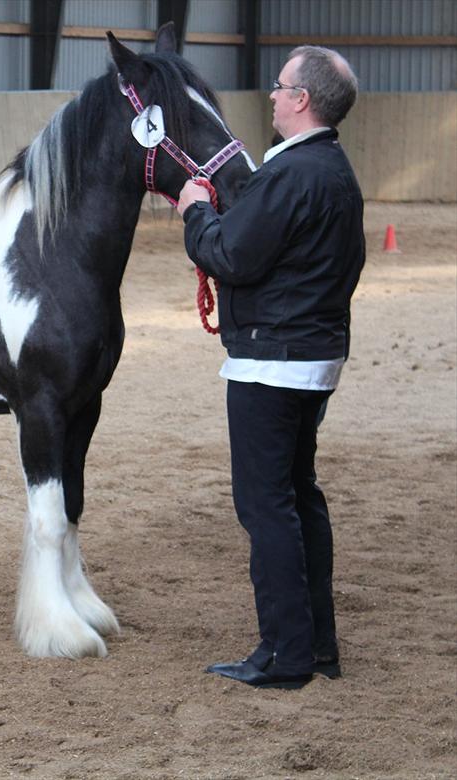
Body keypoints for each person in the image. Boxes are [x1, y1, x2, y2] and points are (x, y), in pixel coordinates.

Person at [175, 46, 366, 689]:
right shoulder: (335, 170)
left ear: (302, 100)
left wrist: (195, 208)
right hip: (311, 358)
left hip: (272, 364)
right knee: (298, 499)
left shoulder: (291, 174)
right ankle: (313, 647)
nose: (273, 95)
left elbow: (230, 254)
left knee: (267, 509)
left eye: (280, 86)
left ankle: (286, 656)